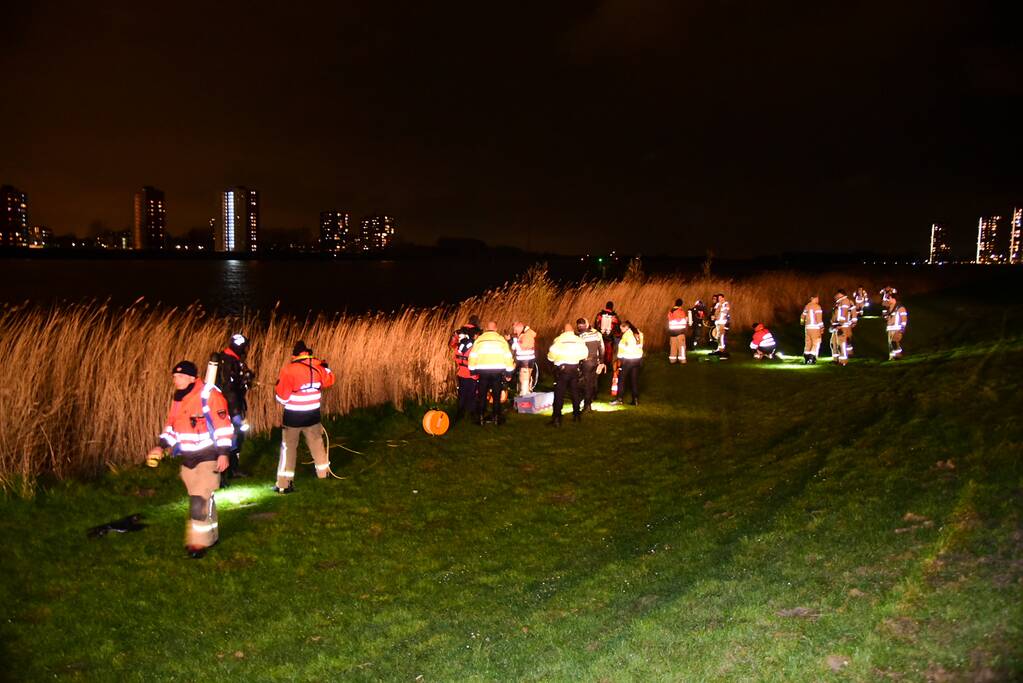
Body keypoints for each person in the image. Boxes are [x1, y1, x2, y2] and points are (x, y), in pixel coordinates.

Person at [147, 360, 233, 559]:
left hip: (208, 455)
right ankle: (211, 536)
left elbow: (224, 427)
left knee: (198, 501)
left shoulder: (210, 396)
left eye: (180, 376)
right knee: (204, 498)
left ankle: (197, 543)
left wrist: (223, 453)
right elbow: (172, 427)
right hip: (188, 459)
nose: (176, 380)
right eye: (174, 376)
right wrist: (161, 446)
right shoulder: (178, 399)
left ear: (192, 378)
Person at [273, 341, 335, 493]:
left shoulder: (289, 370)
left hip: (293, 417)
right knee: (317, 443)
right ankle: (324, 474)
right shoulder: (318, 367)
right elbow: (330, 380)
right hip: (313, 415)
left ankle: (284, 484)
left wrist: (277, 387)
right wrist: (326, 368)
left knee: (289, 448)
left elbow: (282, 398)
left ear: (295, 355)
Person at [215, 333, 256, 482]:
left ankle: (233, 469)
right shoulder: (229, 361)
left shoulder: (231, 358)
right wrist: (235, 411)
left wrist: (247, 379)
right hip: (230, 407)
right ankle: (224, 474)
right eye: (245, 347)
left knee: (237, 436)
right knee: (232, 436)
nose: (246, 350)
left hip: (232, 404)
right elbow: (229, 388)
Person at [467, 321, 514, 425]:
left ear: (486, 328)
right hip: (497, 372)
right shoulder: (501, 340)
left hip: (483, 372)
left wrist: (472, 371)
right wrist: (509, 374)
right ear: (496, 329)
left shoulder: (479, 340)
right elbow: (508, 358)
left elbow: (472, 357)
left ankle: (481, 418)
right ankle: (496, 418)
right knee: (496, 396)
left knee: (482, 395)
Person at [546, 323, 588, 426]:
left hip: (562, 370)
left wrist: (553, 359)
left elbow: (551, 355)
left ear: (563, 330)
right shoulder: (579, 340)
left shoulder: (559, 340)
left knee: (559, 394)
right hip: (574, 368)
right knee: (574, 392)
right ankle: (577, 415)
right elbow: (585, 354)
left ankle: (557, 418)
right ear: (572, 330)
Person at [449, 315, 481, 422]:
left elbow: (452, 345)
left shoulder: (460, 332)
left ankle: (460, 412)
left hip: (461, 372)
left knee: (462, 393)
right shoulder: (476, 335)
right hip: (471, 373)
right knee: (472, 394)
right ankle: (472, 414)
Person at [612, 320, 643, 405]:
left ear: (626, 327)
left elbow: (621, 348)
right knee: (634, 380)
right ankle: (635, 400)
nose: (621, 331)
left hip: (628, 359)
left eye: (622, 329)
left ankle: (619, 399)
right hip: (638, 359)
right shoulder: (639, 333)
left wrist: (619, 359)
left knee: (622, 379)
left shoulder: (626, 335)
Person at [576, 317, 604, 411]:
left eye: (580, 325)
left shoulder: (581, 336)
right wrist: (602, 362)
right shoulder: (597, 334)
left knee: (586, 383)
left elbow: (579, 350)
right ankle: (589, 402)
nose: (579, 327)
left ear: (585, 325)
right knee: (592, 383)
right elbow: (602, 348)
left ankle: (586, 404)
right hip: (595, 361)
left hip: (586, 362)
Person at [509, 321, 537, 396]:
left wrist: (514, 341)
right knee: (524, 378)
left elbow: (522, 347)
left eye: (515, 329)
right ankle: (524, 394)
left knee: (524, 378)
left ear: (519, 327)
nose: (514, 331)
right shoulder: (523, 334)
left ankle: (524, 396)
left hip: (526, 360)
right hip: (524, 360)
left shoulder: (527, 335)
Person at [593, 301, 622, 365]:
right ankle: (607, 364)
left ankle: (600, 363)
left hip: (600, 336)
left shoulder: (599, 315)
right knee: (609, 351)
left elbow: (596, 325)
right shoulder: (614, 316)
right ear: (612, 307)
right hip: (610, 337)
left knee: (600, 349)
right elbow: (618, 327)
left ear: (606, 306)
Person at [830, 289, 854, 366]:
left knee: (841, 344)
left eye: (837, 295)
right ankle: (836, 359)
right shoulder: (838, 303)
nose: (835, 296)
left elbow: (843, 314)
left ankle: (843, 361)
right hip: (836, 326)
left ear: (840, 294)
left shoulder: (845, 302)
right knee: (833, 343)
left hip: (841, 327)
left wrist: (839, 325)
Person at [800, 295, 824, 364]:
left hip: (807, 328)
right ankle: (812, 358)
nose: (818, 300)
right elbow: (819, 319)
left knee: (808, 343)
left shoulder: (807, 306)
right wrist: (822, 327)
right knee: (815, 343)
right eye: (817, 298)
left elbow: (802, 316)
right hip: (815, 328)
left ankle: (806, 358)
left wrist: (802, 323)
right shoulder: (817, 307)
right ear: (814, 298)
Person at [885, 295, 909, 360]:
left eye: (889, 299)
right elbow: (889, 318)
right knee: (891, 344)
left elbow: (904, 318)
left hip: (897, 329)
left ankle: (898, 355)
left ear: (894, 299)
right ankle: (892, 356)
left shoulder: (900, 308)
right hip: (890, 329)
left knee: (895, 342)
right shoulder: (889, 308)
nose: (888, 300)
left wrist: (902, 328)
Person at [666, 298, 688, 363]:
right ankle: (682, 360)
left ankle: (672, 360)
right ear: (681, 304)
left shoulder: (671, 311)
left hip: (672, 333)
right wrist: (686, 319)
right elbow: (682, 320)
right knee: (681, 347)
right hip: (680, 333)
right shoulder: (680, 311)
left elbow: (671, 320)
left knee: (673, 347)